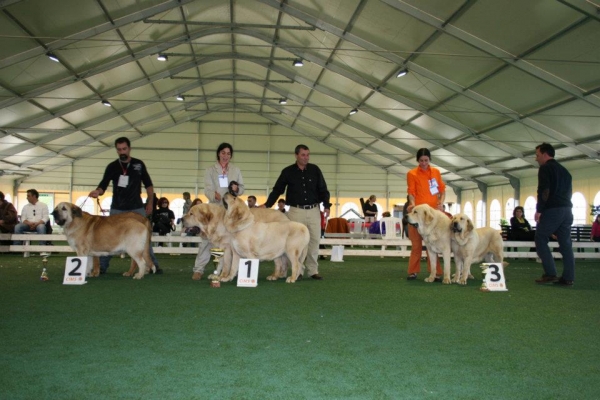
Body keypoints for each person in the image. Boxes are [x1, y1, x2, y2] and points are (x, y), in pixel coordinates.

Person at [89, 137, 162, 274]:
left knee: (144, 237)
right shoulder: (112, 166)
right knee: (108, 237)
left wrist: (150, 202)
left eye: (124, 149)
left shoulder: (139, 164)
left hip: (137, 208)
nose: (122, 152)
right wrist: (97, 192)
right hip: (117, 209)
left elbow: (149, 185)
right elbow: (103, 185)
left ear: (129, 148)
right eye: (119, 149)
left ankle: (153, 266)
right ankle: (103, 267)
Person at [263, 144, 330, 280]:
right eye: (303, 155)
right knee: (296, 242)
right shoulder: (287, 171)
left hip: (314, 210)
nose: (306, 158)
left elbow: (323, 189)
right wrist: (267, 205)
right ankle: (297, 271)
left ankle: (313, 270)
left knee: (314, 241)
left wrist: (327, 205)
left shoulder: (315, 169)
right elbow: (277, 190)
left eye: (308, 155)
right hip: (295, 211)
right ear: (296, 155)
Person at [192, 143, 244, 280]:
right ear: (218, 154)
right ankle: (199, 269)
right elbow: (207, 188)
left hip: (230, 210)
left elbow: (242, 188)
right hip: (214, 209)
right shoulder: (210, 170)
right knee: (207, 239)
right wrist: (212, 195)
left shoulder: (236, 170)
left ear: (231, 156)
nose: (225, 156)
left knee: (231, 240)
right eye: (223, 153)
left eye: (228, 153)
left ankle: (231, 269)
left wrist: (237, 189)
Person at [533, 142, 575, 286]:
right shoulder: (565, 171)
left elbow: (544, 190)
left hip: (553, 209)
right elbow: (569, 193)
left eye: (537, 155)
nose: (536, 158)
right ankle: (568, 277)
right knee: (565, 244)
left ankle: (550, 273)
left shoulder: (545, 168)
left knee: (540, 237)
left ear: (545, 154)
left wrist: (539, 210)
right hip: (568, 210)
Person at [406, 148, 445, 281]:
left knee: (433, 245)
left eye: (426, 160)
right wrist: (412, 205)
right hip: (417, 214)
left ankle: (436, 272)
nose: (424, 163)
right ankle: (413, 271)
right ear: (418, 160)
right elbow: (411, 192)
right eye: (421, 160)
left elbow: (442, 190)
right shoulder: (412, 174)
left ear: (429, 159)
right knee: (416, 244)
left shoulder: (436, 172)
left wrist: (441, 202)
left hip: (432, 216)